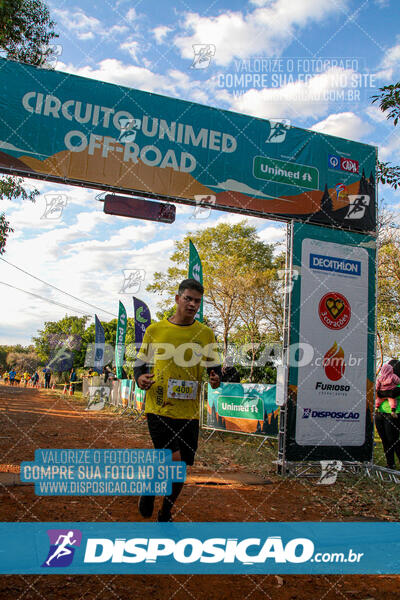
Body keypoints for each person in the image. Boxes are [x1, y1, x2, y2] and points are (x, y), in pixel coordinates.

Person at [134, 278, 221, 522]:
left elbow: (215, 366)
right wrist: (140, 379)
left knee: (180, 469)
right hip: (158, 406)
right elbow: (139, 364)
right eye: (188, 299)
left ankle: (166, 511)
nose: (193, 304)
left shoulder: (205, 334)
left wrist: (216, 377)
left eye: (197, 301)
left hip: (189, 411)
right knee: (173, 459)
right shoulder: (155, 330)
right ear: (177, 299)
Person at [375, 360, 400, 469]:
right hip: (379, 413)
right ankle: (390, 463)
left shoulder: (397, 381)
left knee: (393, 440)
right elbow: (377, 393)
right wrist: (384, 394)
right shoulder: (381, 379)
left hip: (393, 414)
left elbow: (393, 394)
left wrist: (382, 394)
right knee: (384, 440)